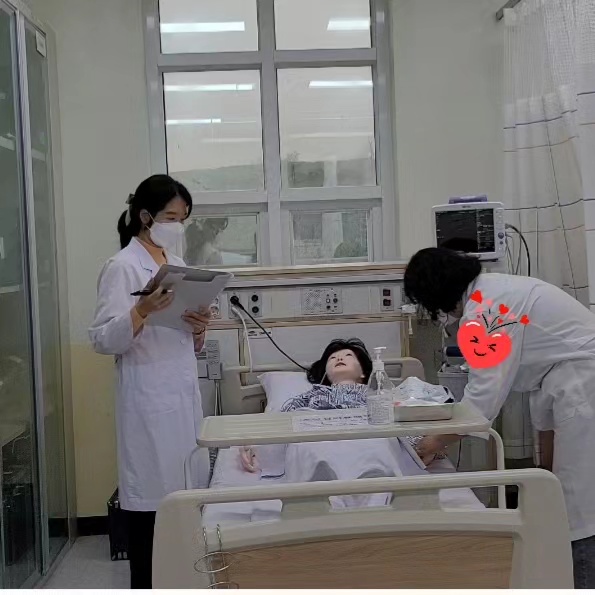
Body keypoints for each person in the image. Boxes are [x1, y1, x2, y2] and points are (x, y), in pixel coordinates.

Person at [403, 246, 595, 589]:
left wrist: (428, 445)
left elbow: (480, 402)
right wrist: (545, 473)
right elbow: (540, 411)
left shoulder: (486, 310)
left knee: (581, 510)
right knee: (569, 500)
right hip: (568, 385)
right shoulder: (494, 291)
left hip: (585, 387)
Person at [89, 174, 212, 589]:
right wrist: (141, 310)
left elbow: (181, 338)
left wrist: (199, 327)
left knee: (185, 508)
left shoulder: (177, 265)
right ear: (145, 216)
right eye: (171, 217)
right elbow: (102, 339)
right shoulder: (122, 267)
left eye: (183, 218)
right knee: (150, 516)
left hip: (181, 400)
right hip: (147, 403)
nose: (178, 226)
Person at [239, 339, 440, 474]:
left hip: (366, 435)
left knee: (377, 444)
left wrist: (424, 445)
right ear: (325, 373)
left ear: (363, 372)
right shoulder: (312, 396)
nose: (339, 358)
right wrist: (253, 444)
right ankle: (319, 481)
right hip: (318, 435)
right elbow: (281, 421)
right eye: (333, 358)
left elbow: (402, 421)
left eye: (348, 356)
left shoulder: (378, 395)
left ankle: (374, 478)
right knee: (307, 447)